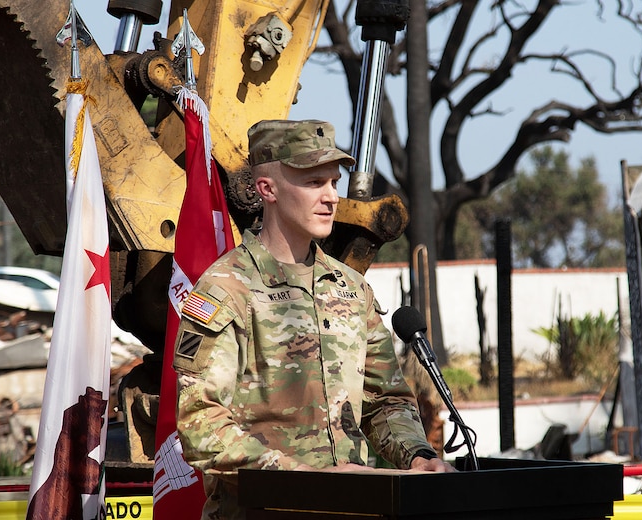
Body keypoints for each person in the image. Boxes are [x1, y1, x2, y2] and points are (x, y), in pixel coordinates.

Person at [173, 119, 455, 519]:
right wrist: (302, 476)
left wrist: (417, 454)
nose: (331, 197)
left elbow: (386, 400)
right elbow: (200, 423)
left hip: (353, 510)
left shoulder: (353, 290)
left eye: (334, 182)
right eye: (313, 183)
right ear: (266, 188)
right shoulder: (226, 289)